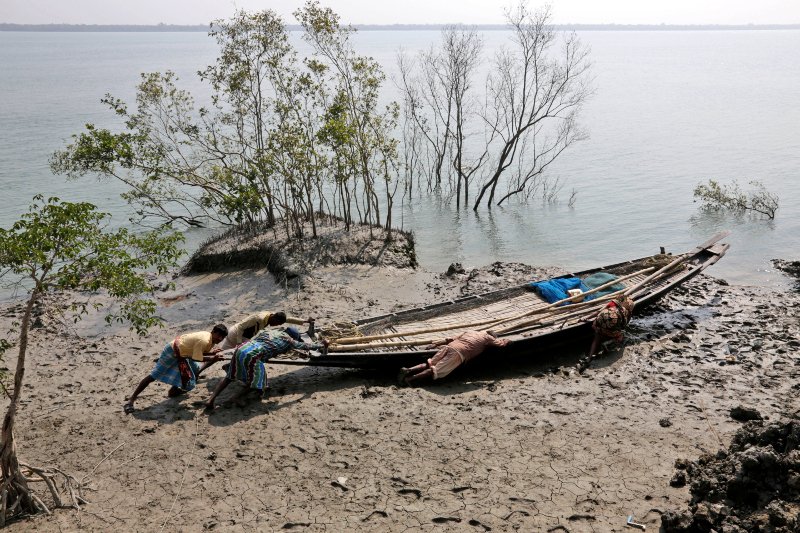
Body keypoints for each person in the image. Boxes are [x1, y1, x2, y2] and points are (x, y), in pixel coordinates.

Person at [203, 327, 327, 412]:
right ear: (293, 337)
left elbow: (261, 340)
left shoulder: (269, 332)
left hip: (242, 348)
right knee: (258, 382)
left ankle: (211, 400)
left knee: (230, 376)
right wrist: (321, 345)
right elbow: (306, 346)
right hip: (254, 355)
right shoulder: (289, 341)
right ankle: (236, 397)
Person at [123, 324, 228, 413]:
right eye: (219, 335)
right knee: (154, 376)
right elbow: (197, 357)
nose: (220, 339)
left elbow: (197, 351)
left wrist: (211, 353)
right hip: (173, 351)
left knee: (194, 369)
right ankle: (131, 401)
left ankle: (173, 390)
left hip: (184, 353)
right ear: (213, 331)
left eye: (222, 337)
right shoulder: (204, 340)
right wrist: (213, 358)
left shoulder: (211, 340)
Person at [196, 311, 313, 376]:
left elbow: (287, 319)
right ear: (275, 319)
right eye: (277, 324)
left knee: (221, 354)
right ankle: (229, 368)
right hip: (236, 334)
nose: (276, 326)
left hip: (243, 336)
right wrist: (238, 343)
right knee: (247, 353)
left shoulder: (272, 315)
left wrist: (304, 321)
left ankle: (201, 370)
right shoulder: (259, 318)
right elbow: (241, 327)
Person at [400, 330, 509, 386]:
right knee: (435, 370)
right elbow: (501, 344)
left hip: (450, 347)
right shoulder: (488, 338)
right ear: (492, 335)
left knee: (430, 363)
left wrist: (435, 344)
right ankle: (410, 379)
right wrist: (507, 341)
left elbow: (450, 339)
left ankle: (408, 369)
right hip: (459, 353)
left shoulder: (471, 332)